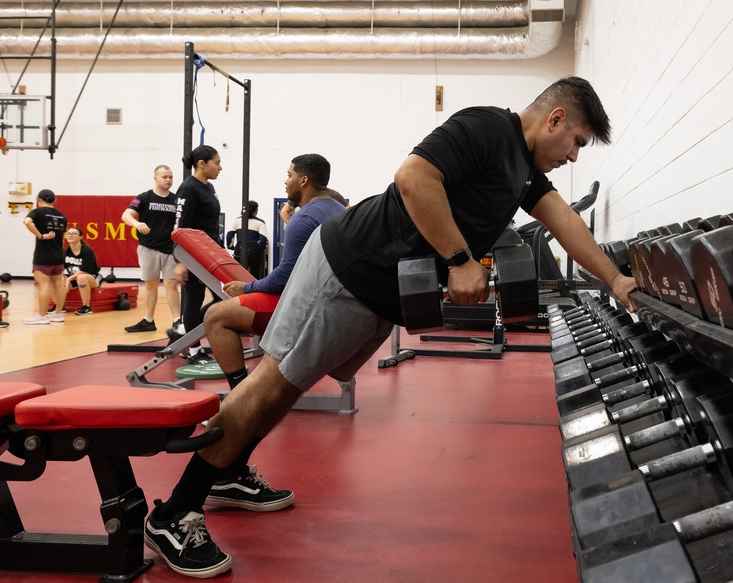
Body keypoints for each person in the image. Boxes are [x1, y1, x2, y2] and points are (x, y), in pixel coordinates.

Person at [143, 77, 637, 578]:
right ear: (554, 119)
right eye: (576, 141)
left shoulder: (524, 172)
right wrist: (461, 259)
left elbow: (565, 224)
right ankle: (173, 515)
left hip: (374, 287)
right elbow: (413, 176)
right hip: (349, 266)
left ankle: (226, 474)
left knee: (287, 387)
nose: (574, 155)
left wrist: (617, 279)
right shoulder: (489, 127)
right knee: (271, 382)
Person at [196, 155, 345, 512]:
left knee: (215, 316)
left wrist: (245, 287)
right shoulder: (337, 208)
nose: (286, 181)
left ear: (304, 180)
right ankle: (233, 460)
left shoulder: (303, 220)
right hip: (335, 305)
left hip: (301, 306)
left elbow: (283, 279)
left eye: (290, 174)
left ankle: (239, 396)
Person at [172, 145, 223, 364]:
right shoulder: (188, 189)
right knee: (194, 300)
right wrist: (182, 261)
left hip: (211, 253)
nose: (220, 167)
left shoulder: (208, 188)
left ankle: (187, 332)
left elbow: (210, 226)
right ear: (202, 164)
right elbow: (180, 227)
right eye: (217, 162)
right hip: (193, 255)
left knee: (223, 297)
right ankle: (193, 350)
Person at [122, 165, 181, 333]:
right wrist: (136, 223)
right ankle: (148, 320)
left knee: (171, 284)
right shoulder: (144, 197)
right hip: (148, 248)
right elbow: (126, 215)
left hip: (170, 250)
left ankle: (177, 321)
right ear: (155, 178)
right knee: (150, 285)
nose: (168, 179)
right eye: (164, 177)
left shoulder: (177, 200)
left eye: (170, 177)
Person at [23, 189, 68, 325]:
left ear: (38, 199)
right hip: (58, 255)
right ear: (55, 200)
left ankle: (42, 315)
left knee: (43, 285)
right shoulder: (62, 215)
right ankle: (58, 314)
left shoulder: (37, 212)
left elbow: (27, 222)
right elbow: (62, 238)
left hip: (43, 255)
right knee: (59, 285)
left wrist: (40, 235)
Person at [226, 200, 268, 279]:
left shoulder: (237, 220)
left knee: (238, 273)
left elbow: (229, 235)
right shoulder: (260, 222)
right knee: (254, 274)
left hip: (240, 248)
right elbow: (263, 239)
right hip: (254, 249)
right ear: (256, 210)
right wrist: (259, 248)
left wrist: (231, 246)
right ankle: (253, 290)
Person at [63, 228, 101, 316]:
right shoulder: (65, 251)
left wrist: (69, 279)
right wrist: (62, 278)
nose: (70, 235)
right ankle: (59, 305)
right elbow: (60, 268)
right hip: (74, 278)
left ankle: (86, 307)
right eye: (69, 233)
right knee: (54, 279)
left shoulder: (87, 251)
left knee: (81, 277)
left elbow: (84, 271)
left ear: (80, 237)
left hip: (91, 277)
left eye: (74, 233)